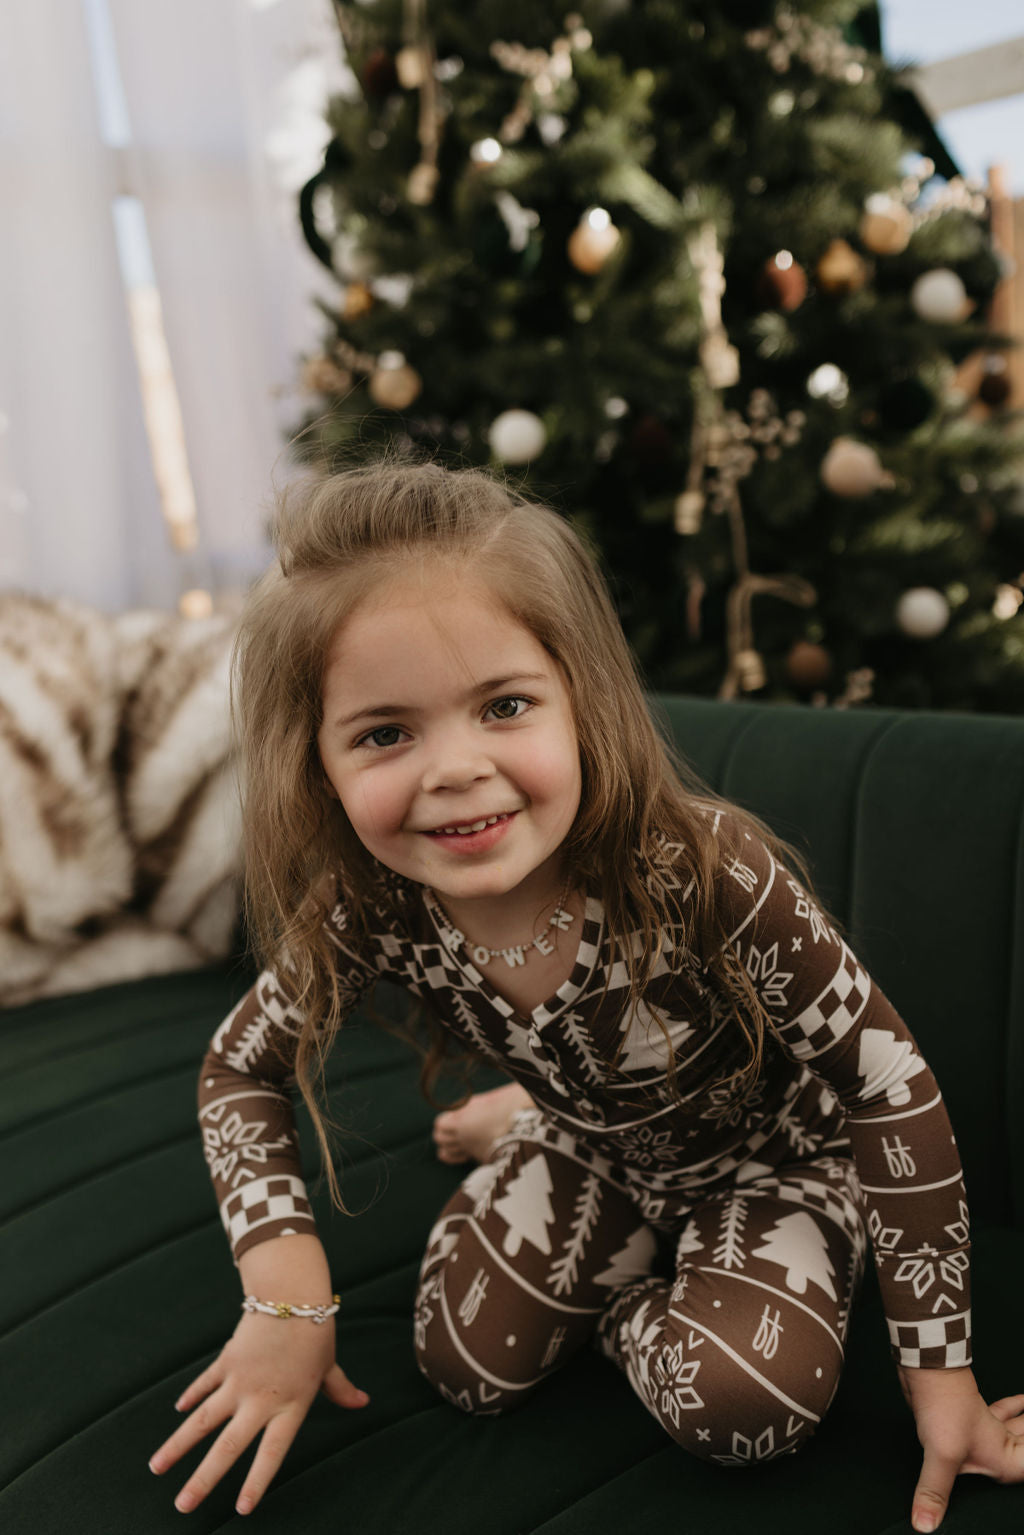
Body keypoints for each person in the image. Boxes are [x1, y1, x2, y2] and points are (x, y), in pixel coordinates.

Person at [149, 460, 1023, 1529]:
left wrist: (941, 1381)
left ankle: (618, 1234)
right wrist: (283, 1290)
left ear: (581, 697)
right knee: (463, 1360)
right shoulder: (366, 901)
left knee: (743, 1406)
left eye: (504, 704)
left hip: (780, 1158)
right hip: (594, 1140)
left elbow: (887, 1082)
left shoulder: (701, 867)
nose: (456, 767)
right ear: (315, 762)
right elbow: (240, 1064)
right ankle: (551, 1130)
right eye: (384, 732)